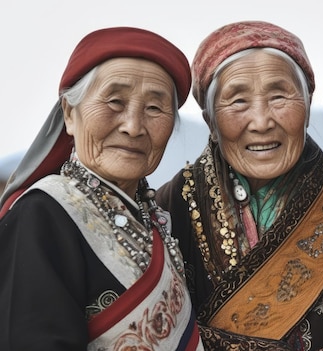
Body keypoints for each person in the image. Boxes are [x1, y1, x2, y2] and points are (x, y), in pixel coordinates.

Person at [156, 20, 323, 350]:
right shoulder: (174, 203)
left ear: (306, 106)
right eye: (238, 102)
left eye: (279, 96)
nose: (262, 122)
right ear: (211, 123)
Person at [0, 27, 205, 350]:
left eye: (154, 108)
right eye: (114, 101)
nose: (133, 126)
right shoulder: (42, 214)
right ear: (70, 114)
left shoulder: (159, 218)